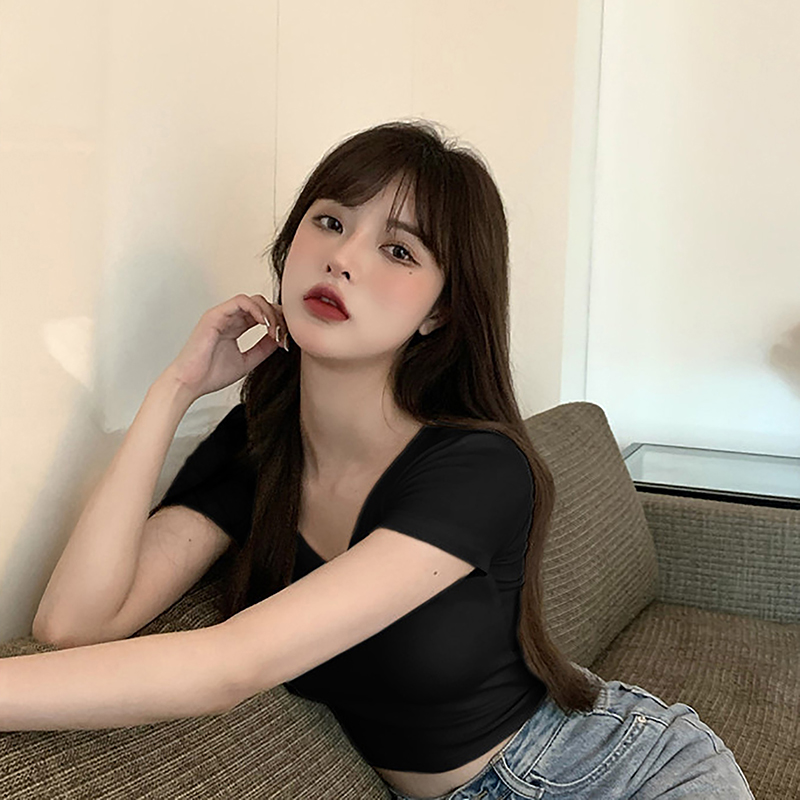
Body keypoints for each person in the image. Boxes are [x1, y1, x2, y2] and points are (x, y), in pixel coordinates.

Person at [18, 120, 752, 800]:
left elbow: (229, 665)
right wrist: (174, 390)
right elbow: (74, 622)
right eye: (330, 222)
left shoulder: (480, 469)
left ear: (440, 310)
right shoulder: (259, 445)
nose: (342, 258)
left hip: (608, 774)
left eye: (398, 251)